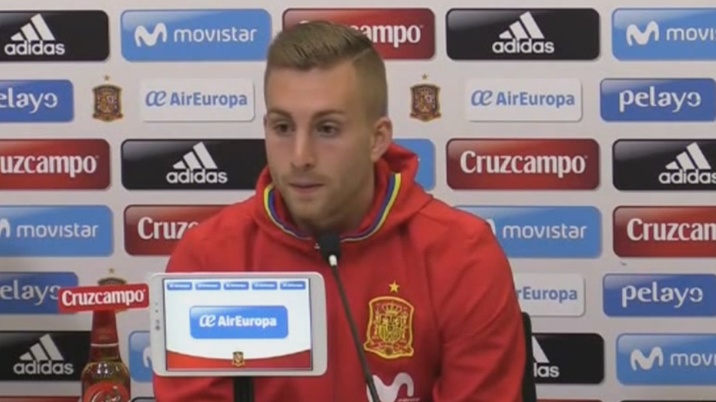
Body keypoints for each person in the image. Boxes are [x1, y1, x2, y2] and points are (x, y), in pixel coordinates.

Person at [152, 20, 525, 402]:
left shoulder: (463, 254)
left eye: (327, 129)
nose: (300, 157)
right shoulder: (210, 256)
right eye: (282, 127)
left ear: (377, 139)